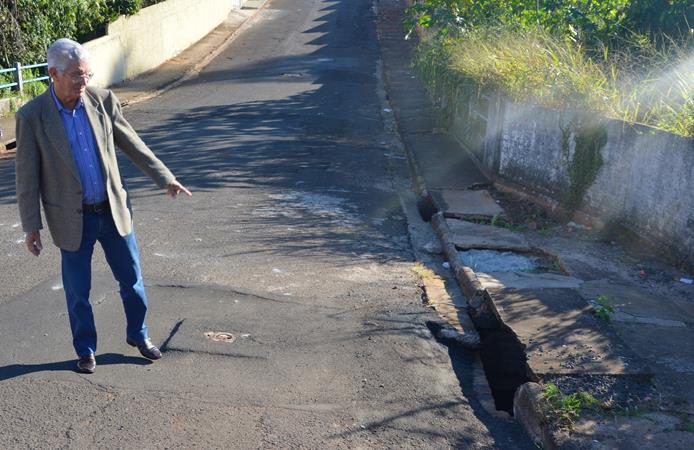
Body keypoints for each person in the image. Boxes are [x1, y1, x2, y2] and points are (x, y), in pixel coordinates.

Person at [15, 38, 191, 374]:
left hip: (112, 211)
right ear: (53, 73)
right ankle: (85, 350)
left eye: (87, 75)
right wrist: (31, 227)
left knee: (133, 281)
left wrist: (164, 177)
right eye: (76, 76)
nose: (84, 83)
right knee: (78, 292)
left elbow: (132, 142)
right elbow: (27, 178)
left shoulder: (102, 100)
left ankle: (138, 335)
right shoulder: (32, 117)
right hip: (71, 218)